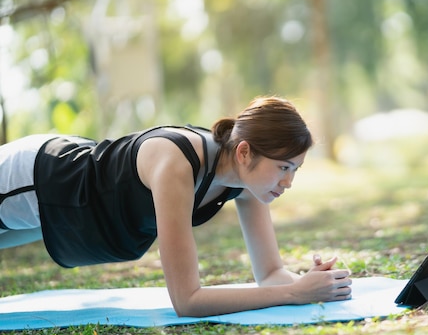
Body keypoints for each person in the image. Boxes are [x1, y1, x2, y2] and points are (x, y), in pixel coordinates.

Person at [0, 96, 352, 317]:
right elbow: (187, 301)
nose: (288, 182)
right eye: (283, 167)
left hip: (69, 211)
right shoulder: (177, 165)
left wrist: (309, 283)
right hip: (39, 176)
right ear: (244, 152)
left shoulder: (245, 182)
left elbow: (270, 275)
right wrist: (293, 294)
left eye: (295, 170)